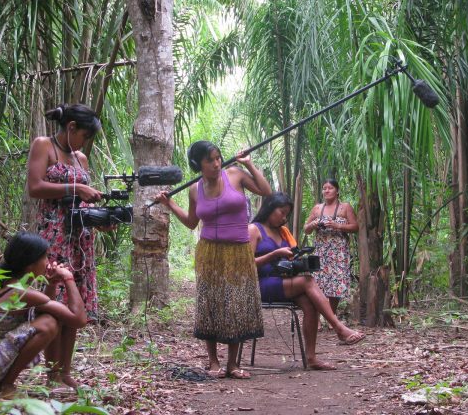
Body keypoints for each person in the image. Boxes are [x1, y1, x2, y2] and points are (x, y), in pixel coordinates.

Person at [155, 140, 272, 379]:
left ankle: (232, 364)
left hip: (239, 251)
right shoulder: (194, 189)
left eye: (218, 158)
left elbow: (266, 191)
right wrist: (170, 204)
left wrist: (249, 164)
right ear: (198, 164)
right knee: (211, 303)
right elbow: (191, 222)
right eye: (210, 160)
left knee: (236, 305)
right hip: (209, 252)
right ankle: (213, 362)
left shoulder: (235, 175)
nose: (217, 163)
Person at [26, 103, 108, 387]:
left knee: (75, 304)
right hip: (54, 235)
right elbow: (34, 186)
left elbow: (85, 200)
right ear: (71, 127)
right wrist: (75, 188)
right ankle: (52, 373)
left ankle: (65, 372)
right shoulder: (43, 145)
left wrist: (101, 219)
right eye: (84, 135)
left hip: (80, 240)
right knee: (54, 301)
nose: (84, 142)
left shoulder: (82, 159)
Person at [0, 232, 88, 398]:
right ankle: (5, 386)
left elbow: (49, 309)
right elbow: (79, 319)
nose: (48, 262)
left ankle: (61, 377)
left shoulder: (1, 283)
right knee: (48, 323)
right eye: (45, 257)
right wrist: (68, 278)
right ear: (30, 265)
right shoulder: (19, 292)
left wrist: (52, 282)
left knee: (56, 317)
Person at [250, 192, 366, 369]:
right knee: (308, 281)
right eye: (281, 212)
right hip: (261, 284)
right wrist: (274, 254)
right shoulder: (254, 229)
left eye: (286, 214)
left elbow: (287, 259)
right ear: (269, 209)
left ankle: (311, 358)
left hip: (283, 282)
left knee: (310, 303)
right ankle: (339, 328)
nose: (284, 217)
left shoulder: (282, 231)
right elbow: (246, 264)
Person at [302, 179, 358, 319]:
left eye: (330, 188)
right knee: (319, 283)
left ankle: (331, 316)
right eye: (324, 188)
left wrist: (337, 225)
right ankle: (318, 318)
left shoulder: (345, 207)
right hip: (321, 251)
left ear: (337, 191)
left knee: (336, 284)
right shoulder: (317, 208)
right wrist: (314, 224)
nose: (326, 191)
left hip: (339, 252)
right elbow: (306, 230)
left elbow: (355, 227)